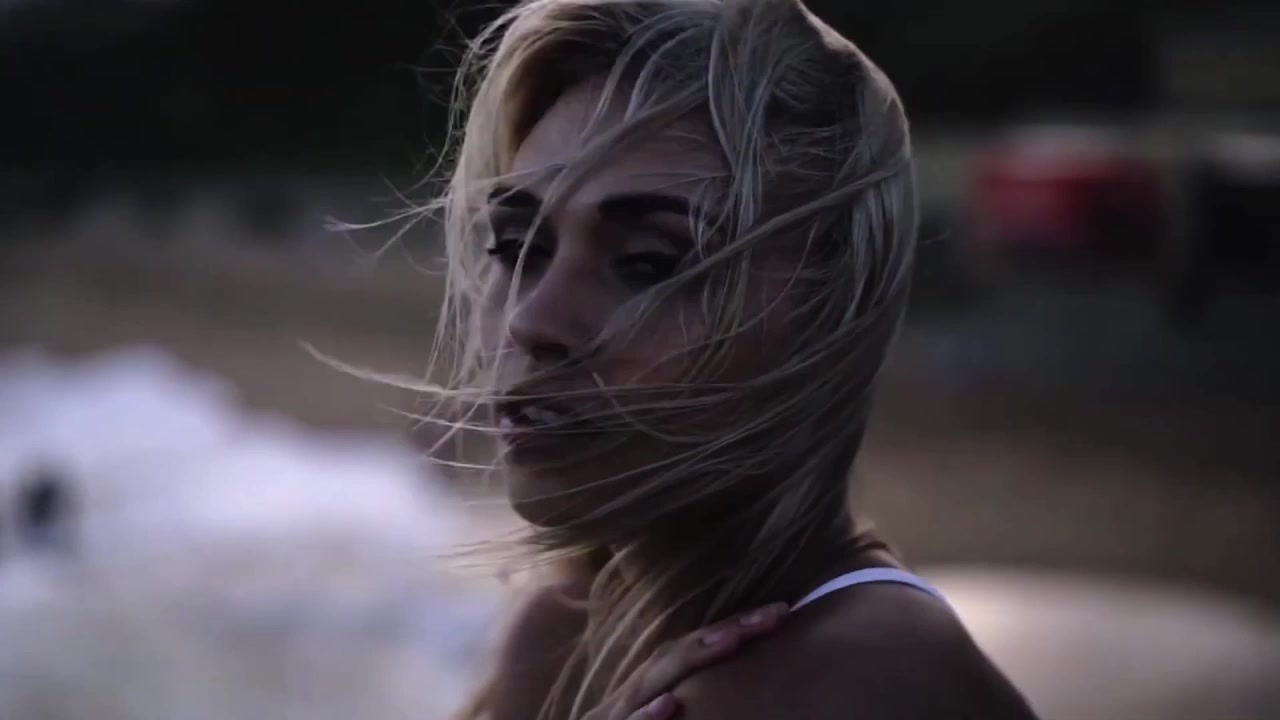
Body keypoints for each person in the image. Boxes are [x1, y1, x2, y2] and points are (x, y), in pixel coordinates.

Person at [419, 0, 1040, 717]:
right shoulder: (559, 635)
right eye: (516, 245)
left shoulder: (847, 677)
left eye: (648, 264)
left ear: (827, 317)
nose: (531, 320)